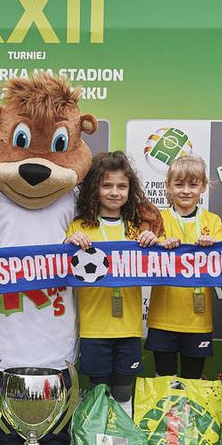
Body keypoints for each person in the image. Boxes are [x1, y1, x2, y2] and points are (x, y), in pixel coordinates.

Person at [65, 151, 169, 411]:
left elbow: (159, 262)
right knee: (99, 394)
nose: (115, 192)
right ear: (94, 189)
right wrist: (68, 244)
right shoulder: (80, 227)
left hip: (129, 328)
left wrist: (152, 243)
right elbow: (62, 266)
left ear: (130, 189)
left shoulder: (137, 228)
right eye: (107, 185)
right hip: (94, 329)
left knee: (123, 393)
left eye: (122, 186)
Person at [146, 154, 222, 380]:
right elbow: (144, 256)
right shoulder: (157, 220)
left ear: (203, 187)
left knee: (193, 380)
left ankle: (188, 417)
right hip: (163, 317)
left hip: (197, 320)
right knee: (164, 380)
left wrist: (213, 248)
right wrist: (159, 245)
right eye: (179, 184)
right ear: (168, 186)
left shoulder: (213, 221)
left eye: (193, 184)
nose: (186, 190)